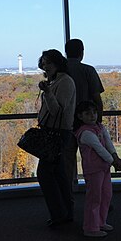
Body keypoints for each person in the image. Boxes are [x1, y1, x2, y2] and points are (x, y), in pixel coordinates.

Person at [36, 49, 77, 227]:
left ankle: (59, 213)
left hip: (58, 133)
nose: (46, 66)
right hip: (56, 132)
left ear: (58, 63)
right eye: (44, 63)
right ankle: (65, 213)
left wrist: (47, 93)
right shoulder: (56, 81)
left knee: (44, 174)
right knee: (59, 175)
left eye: (49, 63)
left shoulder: (65, 82)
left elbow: (56, 110)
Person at [74, 100, 121, 238]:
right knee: (94, 198)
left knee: (106, 195)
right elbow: (99, 149)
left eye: (94, 112)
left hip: (104, 167)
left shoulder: (100, 127)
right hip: (93, 170)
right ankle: (90, 227)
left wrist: (115, 157)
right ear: (80, 116)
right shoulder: (85, 133)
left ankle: (100, 222)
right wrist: (114, 161)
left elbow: (108, 143)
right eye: (87, 113)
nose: (92, 116)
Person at [64, 38, 105, 195]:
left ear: (66, 52)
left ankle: (68, 201)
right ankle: (99, 197)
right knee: (94, 162)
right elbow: (97, 98)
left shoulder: (60, 73)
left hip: (66, 125)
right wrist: (97, 122)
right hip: (87, 124)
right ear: (82, 53)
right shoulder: (88, 70)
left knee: (67, 165)